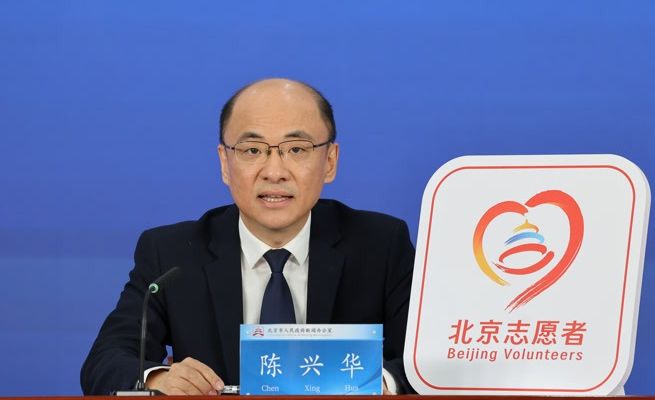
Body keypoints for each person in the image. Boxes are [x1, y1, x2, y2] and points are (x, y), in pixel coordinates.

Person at [80, 78, 415, 395]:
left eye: (297, 149)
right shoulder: (171, 254)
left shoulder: (381, 246)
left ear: (330, 161)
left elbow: (426, 360)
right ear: (225, 163)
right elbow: (106, 360)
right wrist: (159, 378)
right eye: (252, 150)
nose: (274, 172)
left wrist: (381, 383)